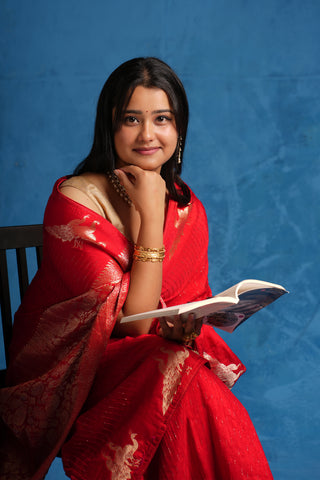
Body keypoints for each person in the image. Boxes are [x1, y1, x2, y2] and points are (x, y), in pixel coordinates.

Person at [0, 57, 274, 479]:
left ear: (179, 130)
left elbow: (176, 308)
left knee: (179, 373)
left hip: (156, 361)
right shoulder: (75, 203)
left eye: (162, 119)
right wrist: (148, 217)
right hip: (78, 375)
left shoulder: (185, 207)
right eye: (132, 119)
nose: (148, 135)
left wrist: (183, 326)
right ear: (110, 127)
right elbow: (129, 326)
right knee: (179, 376)